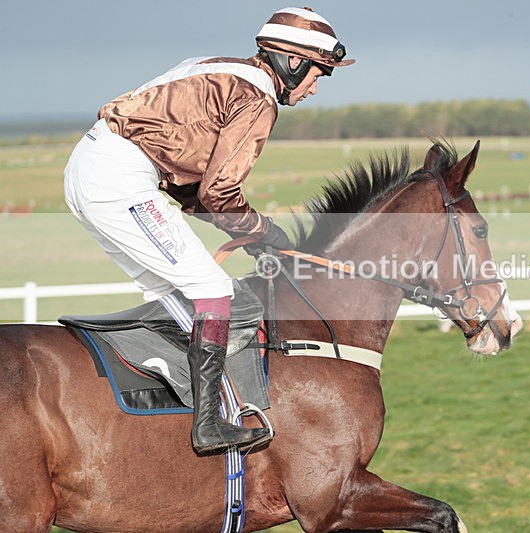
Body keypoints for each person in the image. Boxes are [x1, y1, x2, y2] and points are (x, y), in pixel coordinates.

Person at [63, 7, 354, 453]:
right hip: (120, 178)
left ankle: (168, 382)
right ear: (293, 62)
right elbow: (220, 192)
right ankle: (207, 426)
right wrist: (268, 231)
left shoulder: (215, 66)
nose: (316, 87)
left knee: (171, 292)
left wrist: (251, 235)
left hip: (94, 166)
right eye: (320, 74)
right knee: (214, 290)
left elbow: (195, 189)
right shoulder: (257, 100)